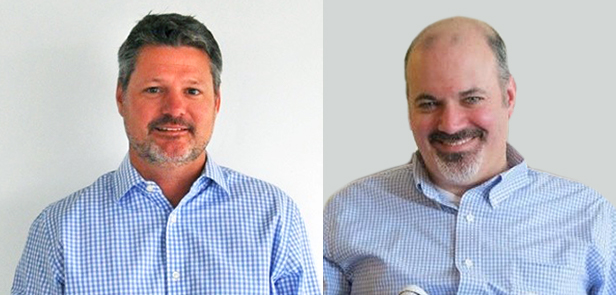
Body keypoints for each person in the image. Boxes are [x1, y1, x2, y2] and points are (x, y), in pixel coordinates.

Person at [12, 13, 320, 294]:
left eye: (192, 91)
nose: (174, 110)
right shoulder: (59, 228)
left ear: (216, 101)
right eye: (154, 89)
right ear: (121, 97)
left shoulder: (275, 216)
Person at [323, 16, 616, 294]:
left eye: (472, 99)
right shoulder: (344, 214)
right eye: (428, 103)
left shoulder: (593, 218)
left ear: (508, 97)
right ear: (408, 107)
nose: (450, 124)